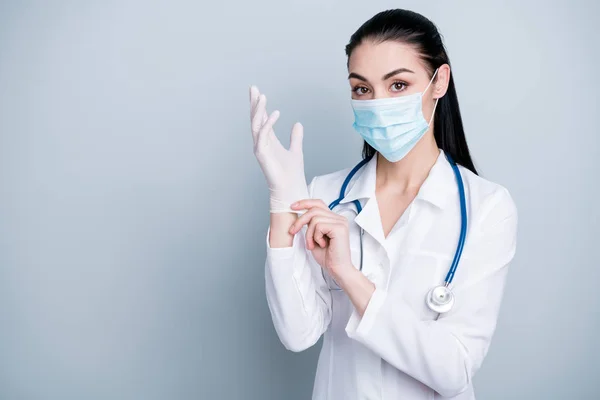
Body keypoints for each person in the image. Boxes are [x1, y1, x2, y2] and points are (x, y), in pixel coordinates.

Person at [249, 8, 517, 400]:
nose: (377, 104)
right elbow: (297, 333)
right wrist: (283, 204)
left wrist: (347, 274)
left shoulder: (488, 208)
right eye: (362, 89)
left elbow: (453, 369)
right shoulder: (324, 195)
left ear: (439, 81)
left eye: (398, 86)